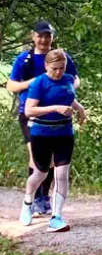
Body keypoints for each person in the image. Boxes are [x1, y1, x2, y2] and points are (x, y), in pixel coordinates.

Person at [8, 21, 77, 225]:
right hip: (31, 115)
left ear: (52, 37)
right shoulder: (25, 59)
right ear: (33, 36)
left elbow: (74, 79)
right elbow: (12, 85)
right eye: (40, 35)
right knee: (37, 160)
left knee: (58, 167)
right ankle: (32, 200)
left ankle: (49, 205)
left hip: (61, 122)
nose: (44, 39)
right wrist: (37, 82)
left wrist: (66, 91)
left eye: (48, 35)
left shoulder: (62, 57)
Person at [20, 48, 87, 232]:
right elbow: (29, 110)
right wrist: (55, 108)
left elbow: (68, 97)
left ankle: (56, 216)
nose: (58, 72)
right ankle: (28, 201)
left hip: (64, 133)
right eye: (54, 68)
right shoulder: (39, 83)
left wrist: (79, 108)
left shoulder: (68, 79)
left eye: (62, 68)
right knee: (40, 173)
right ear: (46, 66)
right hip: (41, 133)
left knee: (62, 173)